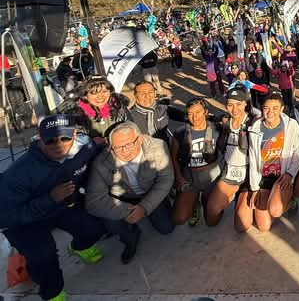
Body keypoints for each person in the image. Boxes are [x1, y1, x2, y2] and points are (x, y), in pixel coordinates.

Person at [0, 114, 106, 301]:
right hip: (22, 221)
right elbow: (7, 216)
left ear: (75, 135)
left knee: (94, 228)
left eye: (65, 138)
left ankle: (79, 247)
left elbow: (88, 150)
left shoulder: (80, 149)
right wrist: (50, 198)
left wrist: (99, 143)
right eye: (50, 140)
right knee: (43, 255)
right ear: (40, 140)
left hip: (57, 208)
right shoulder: (18, 174)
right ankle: (52, 292)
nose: (59, 144)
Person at [85, 121, 175, 264]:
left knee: (167, 228)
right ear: (110, 146)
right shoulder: (100, 163)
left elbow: (166, 179)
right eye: (117, 147)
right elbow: (93, 201)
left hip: (150, 191)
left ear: (140, 139)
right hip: (123, 199)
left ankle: (157, 207)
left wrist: (145, 207)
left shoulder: (158, 147)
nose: (124, 151)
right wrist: (124, 211)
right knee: (110, 221)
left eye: (128, 144)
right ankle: (130, 238)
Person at [204, 87, 261, 230]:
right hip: (230, 172)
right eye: (230, 105)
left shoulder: (254, 122)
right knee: (211, 215)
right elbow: (219, 147)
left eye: (239, 104)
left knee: (241, 226)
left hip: (249, 176)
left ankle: (245, 200)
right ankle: (232, 197)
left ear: (246, 103)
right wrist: (224, 131)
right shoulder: (225, 121)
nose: (234, 109)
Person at [245, 93, 299, 231]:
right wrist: (254, 188)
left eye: (275, 108)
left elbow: (298, 151)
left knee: (275, 210)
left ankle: (289, 200)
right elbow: (253, 160)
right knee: (263, 227)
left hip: (283, 176)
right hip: (264, 178)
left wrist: (290, 174)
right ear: (262, 108)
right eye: (266, 108)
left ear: (282, 109)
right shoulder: (255, 129)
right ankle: (273, 198)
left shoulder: (291, 125)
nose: (270, 112)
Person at [170, 97, 223, 227]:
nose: (194, 117)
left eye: (198, 112)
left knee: (211, 222)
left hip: (211, 175)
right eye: (190, 113)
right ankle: (194, 203)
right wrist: (179, 178)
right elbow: (173, 157)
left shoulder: (217, 128)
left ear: (206, 112)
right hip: (189, 177)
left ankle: (205, 200)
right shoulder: (181, 132)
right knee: (179, 218)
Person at [62, 75, 130, 143]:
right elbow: (66, 136)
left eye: (104, 91)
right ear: (85, 95)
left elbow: (130, 125)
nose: (100, 96)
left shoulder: (118, 106)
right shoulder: (75, 113)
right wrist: (89, 141)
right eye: (94, 93)